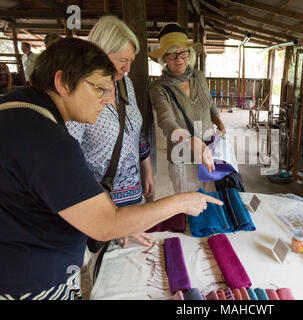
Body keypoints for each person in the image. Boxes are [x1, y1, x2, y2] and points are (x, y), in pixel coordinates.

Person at [0, 37, 221, 300]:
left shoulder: (18, 107)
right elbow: (106, 224)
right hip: (31, 284)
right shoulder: (50, 141)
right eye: (99, 90)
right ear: (62, 83)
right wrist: (182, 201)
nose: (106, 101)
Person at [66, 16, 154, 248]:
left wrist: (147, 168)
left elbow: (136, 128)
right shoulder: (81, 92)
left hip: (133, 193)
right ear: (99, 53)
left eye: (131, 61)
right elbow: (68, 154)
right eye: (121, 60)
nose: (127, 69)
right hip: (99, 199)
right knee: (105, 262)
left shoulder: (125, 84)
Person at [149, 24, 226, 193]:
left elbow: (209, 104)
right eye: (172, 53)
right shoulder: (158, 88)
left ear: (189, 54)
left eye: (183, 52)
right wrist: (191, 140)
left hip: (209, 151)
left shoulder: (198, 76)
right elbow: (166, 121)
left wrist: (219, 122)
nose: (179, 59)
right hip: (182, 158)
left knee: (212, 203)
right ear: (164, 58)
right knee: (191, 211)